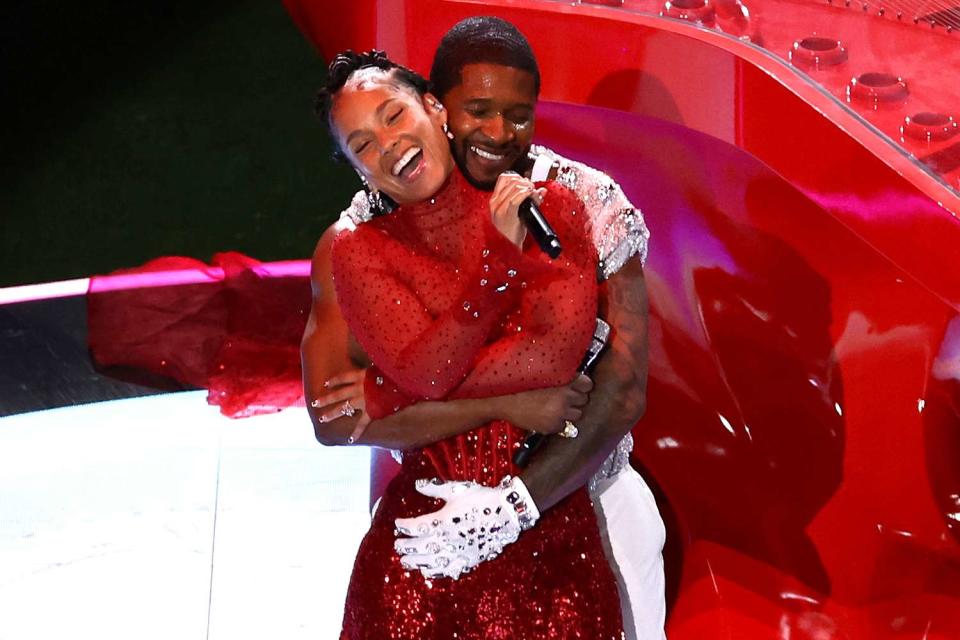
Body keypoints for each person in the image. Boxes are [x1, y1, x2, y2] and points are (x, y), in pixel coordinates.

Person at [302, 18, 665, 639]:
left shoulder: (576, 200)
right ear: (444, 107)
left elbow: (621, 389)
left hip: (590, 495)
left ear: (427, 108)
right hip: (436, 519)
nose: (495, 134)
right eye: (363, 142)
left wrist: (519, 501)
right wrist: (512, 404)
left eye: (515, 114)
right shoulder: (357, 238)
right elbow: (335, 416)